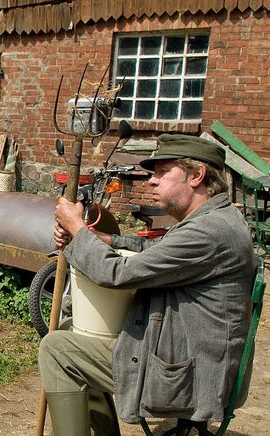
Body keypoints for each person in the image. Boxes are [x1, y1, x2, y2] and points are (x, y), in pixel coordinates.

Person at [38, 134, 255, 435]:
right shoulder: (217, 219)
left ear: (196, 176)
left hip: (190, 376)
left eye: (162, 172)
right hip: (196, 359)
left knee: (57, 348)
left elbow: (115, 274)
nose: (151, 181)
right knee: (70, 330)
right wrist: (105, 239)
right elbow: (159, 251)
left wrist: (76, 227)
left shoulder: (208, 232)